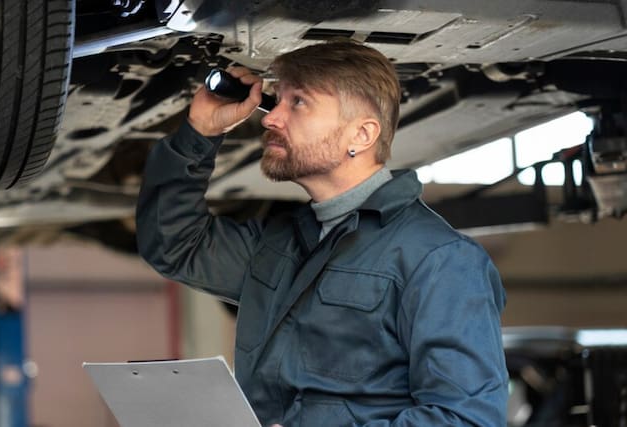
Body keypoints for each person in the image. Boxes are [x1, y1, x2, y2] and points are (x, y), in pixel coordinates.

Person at [136, 41, 508, 426]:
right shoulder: (281, 241)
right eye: (276, 100)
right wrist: (199, 133)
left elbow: (466, 419)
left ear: (361, 135)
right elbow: (175, 245)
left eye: (298, 102)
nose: (269, 118)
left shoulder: (440, 260)